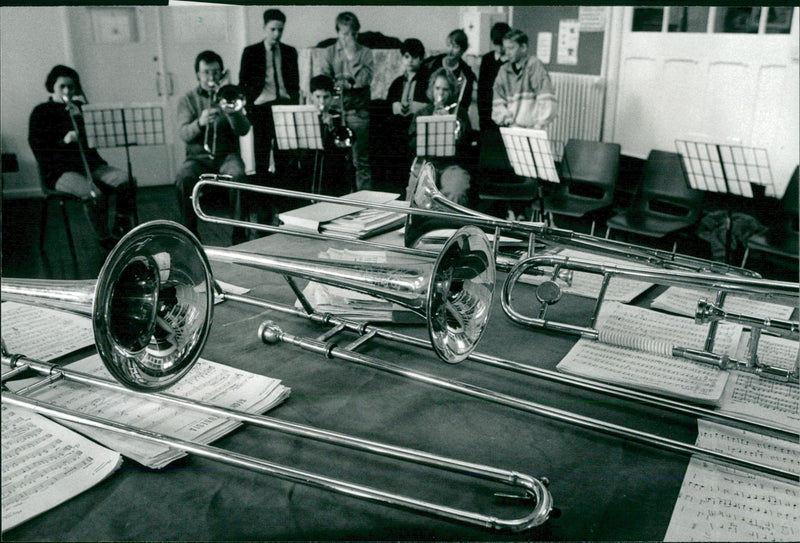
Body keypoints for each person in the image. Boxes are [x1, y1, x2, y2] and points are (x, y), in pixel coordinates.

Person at [28, 65, 136, 251]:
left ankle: (121, 222)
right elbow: (39, 147)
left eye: (71, 87)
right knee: (94, 195)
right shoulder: (41, 112)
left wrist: (84, 121)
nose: (67, 91)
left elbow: (97, 139)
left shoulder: (79, 108)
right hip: (59, 171)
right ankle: (104, 238)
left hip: (91, 165)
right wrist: (64, 140)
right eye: (62, 86)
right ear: (52, 86)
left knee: (127, 180)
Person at [174, 50, 250, 239]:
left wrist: (232, 112)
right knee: (183, 178)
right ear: (197, 75)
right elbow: (184, 133)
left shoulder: (230, 94)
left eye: (216, 72)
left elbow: (244, 130)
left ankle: (239, 232)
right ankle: (190, 233)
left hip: (227, 156)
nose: (211, 77)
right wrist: (200, 122)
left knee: (238, 176)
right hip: (197, 157)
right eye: (206, 72)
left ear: (221, 73)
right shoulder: (188, 100)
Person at [239, 9, 300, 177]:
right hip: (261, 107)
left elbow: (295, 81)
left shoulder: (290, 52)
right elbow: (243, 82)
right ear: (264, 28)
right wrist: (250, 103)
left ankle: (281, 197)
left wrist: (294, 102)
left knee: (284, 155)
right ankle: (261, 197)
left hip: (284, 106)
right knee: (261, 154)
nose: (277, 34)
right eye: (273, 29)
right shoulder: (251, 52)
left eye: (280, 29)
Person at [319, 11, 374, 191]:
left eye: (352, 34)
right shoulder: (328, 53)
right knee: (335, 163)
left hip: (358, 114)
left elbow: (363, 80)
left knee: (361, 163)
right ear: (337, 33)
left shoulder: (365, 53)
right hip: (336, 113)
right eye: (344, 34)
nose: (348, 38)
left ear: (357, 33)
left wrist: (351, 58)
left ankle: (365, 204)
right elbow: (326, 83)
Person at [407, 67, 474, 208]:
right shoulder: (422, 113)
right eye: (437, 88)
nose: (440, 94)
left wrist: (448, 126)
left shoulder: (460, 114)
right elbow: (412, 144)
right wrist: (433, 123)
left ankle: (448, 227)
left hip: (452, 165)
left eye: (445, 90)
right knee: (414, 192)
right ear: (432, 89)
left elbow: (466, 147)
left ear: (451, 92)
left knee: (455, 191)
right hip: (426, 163)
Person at [382, 38, 428, 191]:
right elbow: (388, 105)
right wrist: (394, 105)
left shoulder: (427, 81)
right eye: (407, 57)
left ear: (421, 58)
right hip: (397, 131)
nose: (410, 61)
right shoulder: (397, 82)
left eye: (414, 57)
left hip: (417, 131)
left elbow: (433, 103)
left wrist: (419, 107)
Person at [491, 29, 557, 129]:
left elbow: (547, 99)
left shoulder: (534, 65)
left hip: (533, 129)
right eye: (506, 49)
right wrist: (508, 121)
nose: (507, 53)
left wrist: (538, 125)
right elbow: (498, 101)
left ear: (523, 47)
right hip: (512, 128)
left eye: (511, 48)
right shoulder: (503, 70)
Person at [307, 74, 351, 196]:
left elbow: (344, 147)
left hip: (331, 171)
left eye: (326, 97)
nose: (322, 102)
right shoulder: (305, 117)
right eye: (318, 97)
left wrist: (332, 127)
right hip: (309, 169)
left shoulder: (336, 117)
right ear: (311, 96)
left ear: (332, 97)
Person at [418, 29, 476, 111]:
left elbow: (464, 103)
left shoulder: (467, 73)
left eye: (455, 47)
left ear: (463, 50)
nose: (450, 50)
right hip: (428, 110)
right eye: (449, 45)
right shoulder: (430, 64)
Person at [477, 22, 511, 132]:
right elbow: (481, 89)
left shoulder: (511, 61)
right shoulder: (487, 59)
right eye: (497, 44)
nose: (500, 49)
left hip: (505, 111)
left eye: (502, 45)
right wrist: (482, 115)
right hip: (487, 112)